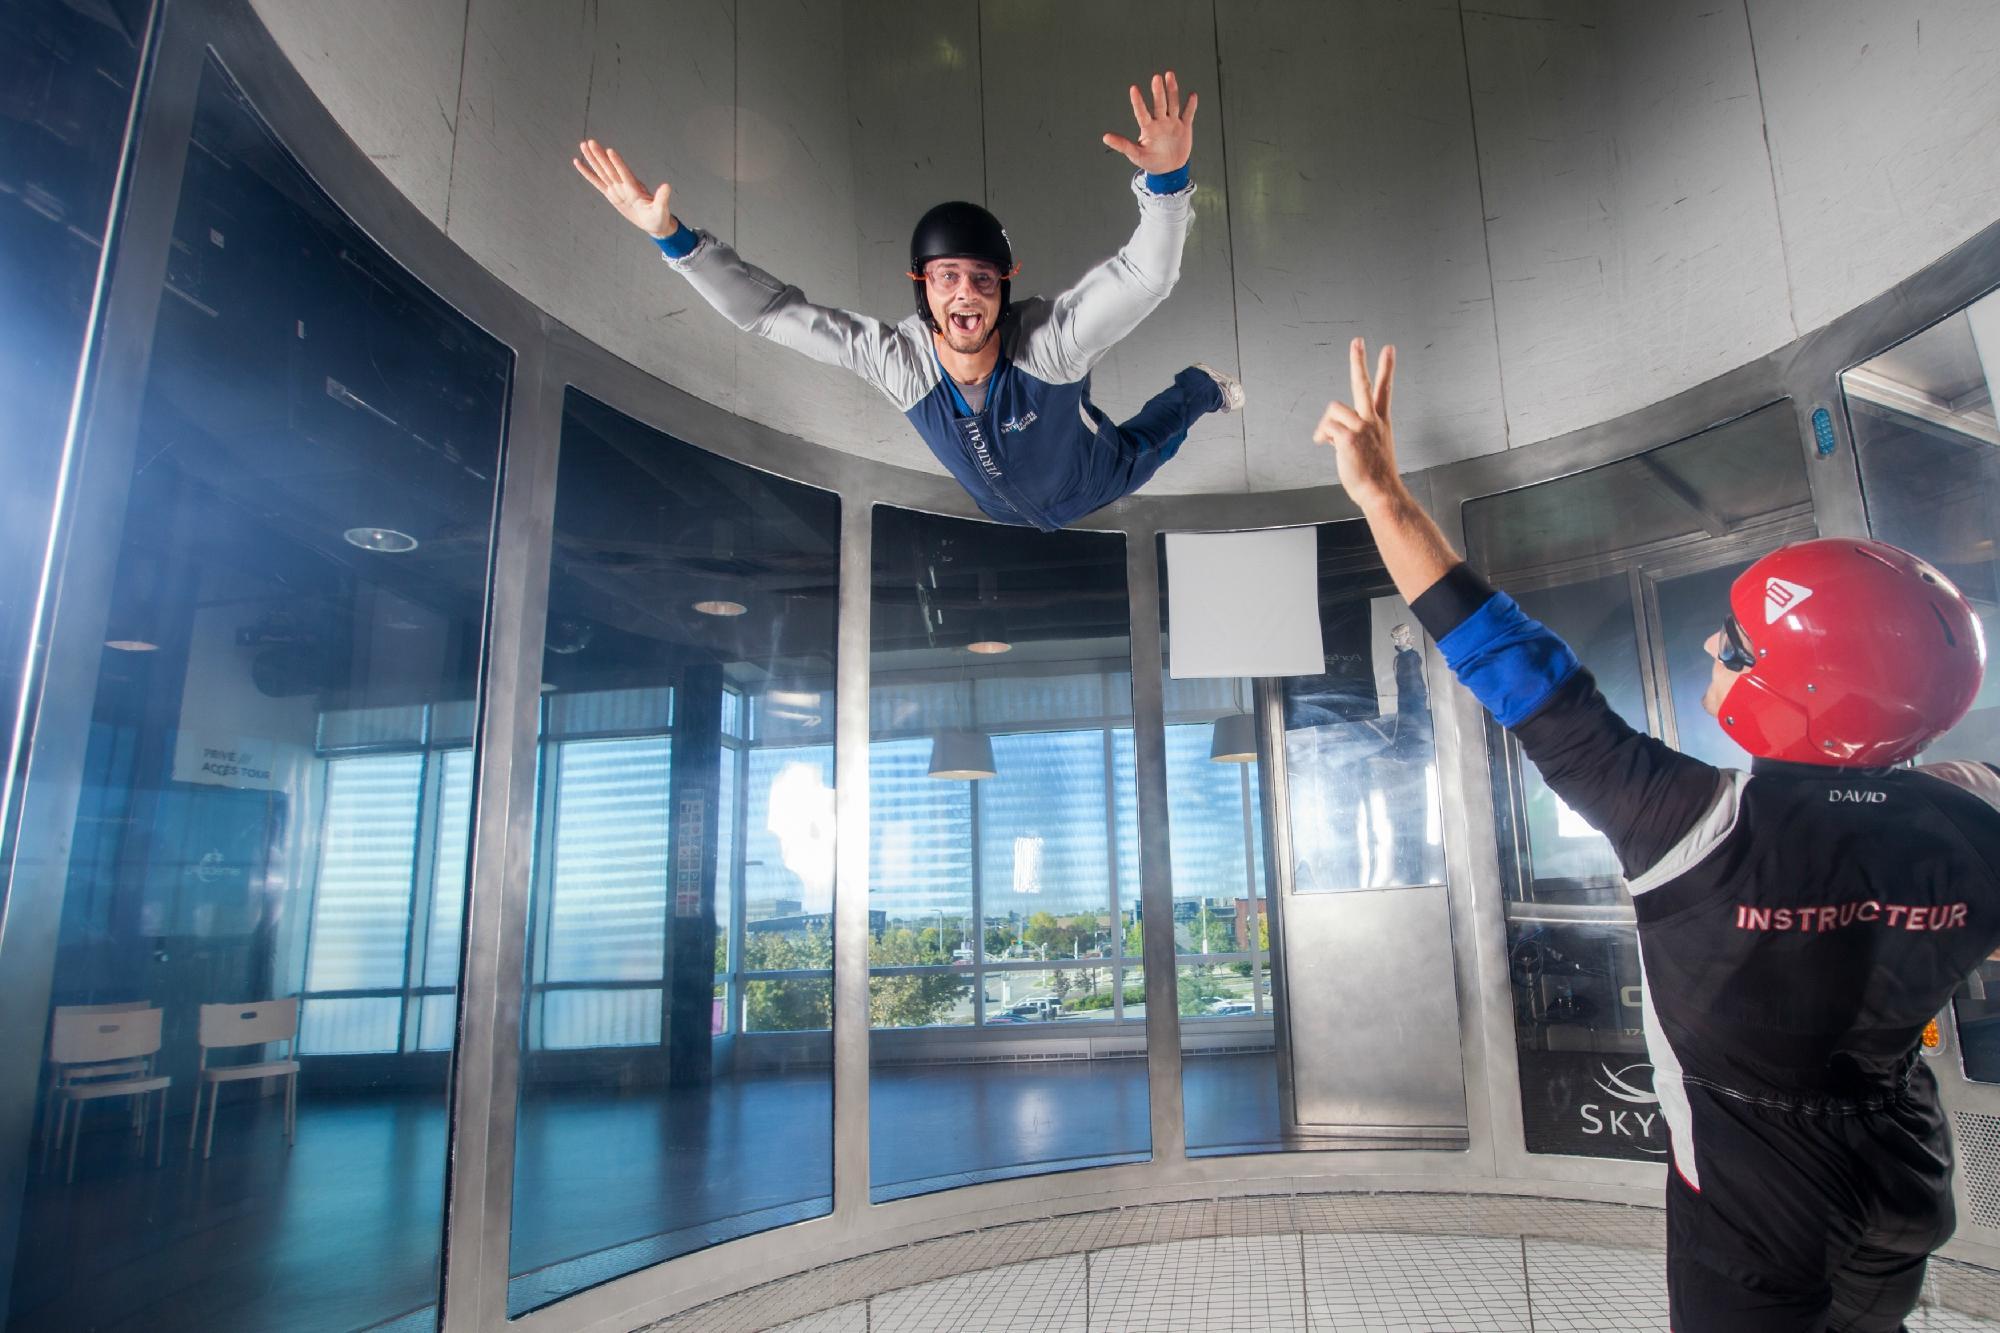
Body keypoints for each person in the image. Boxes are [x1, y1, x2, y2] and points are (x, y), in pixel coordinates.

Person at [1314, 336, 1998, 1332]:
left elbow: (1513, 665)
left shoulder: (1697, 825)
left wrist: (1381, 495)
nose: (1715, 647)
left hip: (1757, 1211)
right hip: (1905, 1177)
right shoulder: (1972, 815)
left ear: (1802, 692)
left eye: (1739, 645)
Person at [572, 72, 1243, 532]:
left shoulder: (1048, 344)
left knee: (1151, 444)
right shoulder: (899, 360)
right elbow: (772, 313)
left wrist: (1167, 180)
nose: (966, 293)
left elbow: (1144, 277)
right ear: (921, 286)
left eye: (983, 279)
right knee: (1053, 478)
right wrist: (672, 238)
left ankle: (1203, 387)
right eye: (948, 277)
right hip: (999, 507)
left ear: (1005, 287)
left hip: (1086, 480)